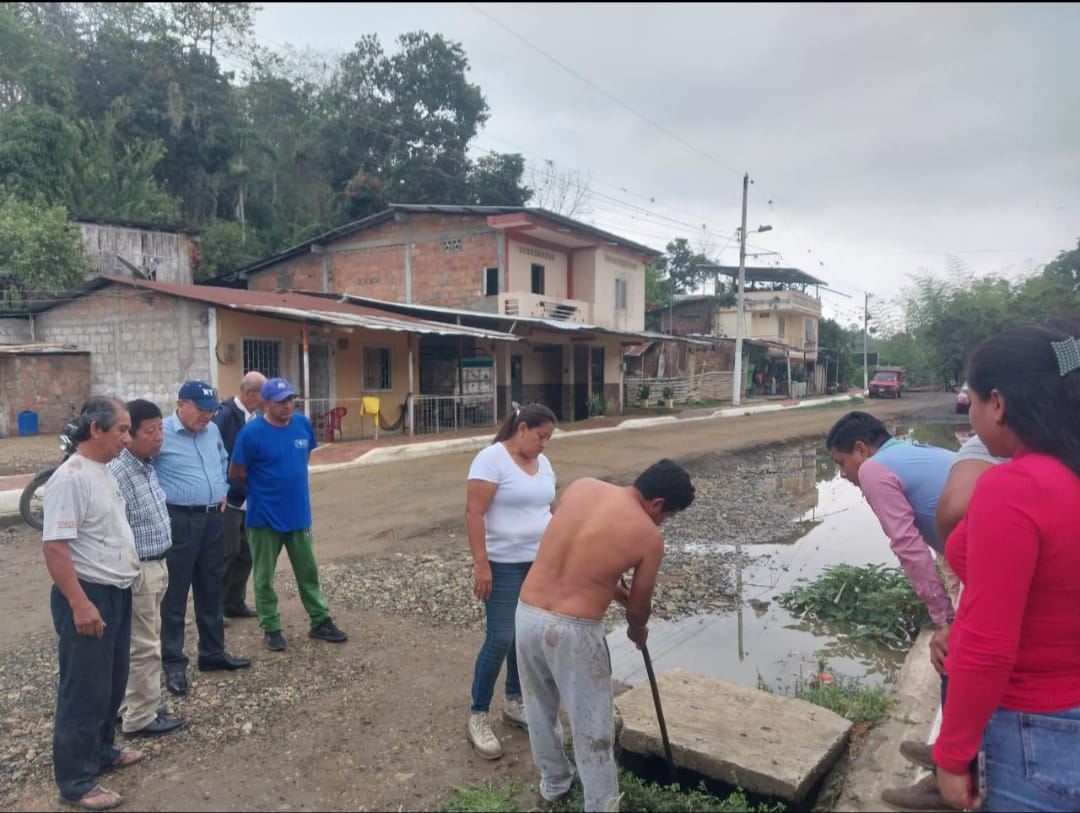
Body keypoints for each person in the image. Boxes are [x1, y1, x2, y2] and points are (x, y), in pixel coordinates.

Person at [934, 319, 1080, 811]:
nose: (971, 413)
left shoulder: (1014, 490)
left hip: (1035, 731)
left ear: (997, 403)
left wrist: (952, 756)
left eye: (971, 401)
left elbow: (990, 644)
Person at [514, 459, 695, 811]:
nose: (663, 523)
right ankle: (601, 805)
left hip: (527, 613)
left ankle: (554, 784)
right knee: (593, 727)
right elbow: (638, 609)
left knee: (538, 710)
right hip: (574, 632)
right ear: (657, 503)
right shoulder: (649, 537)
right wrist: (638, 630)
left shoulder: (582, 486)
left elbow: (573, 553)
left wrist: (612, 588)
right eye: (668, 516)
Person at [43, 397, 143, 811]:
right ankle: (76, 781)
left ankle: (102, 751)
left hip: (116, 591)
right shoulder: (71, 478)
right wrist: (80, 604)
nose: (128, 438)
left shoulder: (104, 470)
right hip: (89, 595)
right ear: (96, 430)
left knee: (112, 682)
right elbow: (55, 548)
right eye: (122, 430)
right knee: (84, 689)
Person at [464, 402, 558, 761]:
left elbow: (549, 509)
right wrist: (482, 565)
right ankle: (478, 714)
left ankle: (514, 701)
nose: (544, 444)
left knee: (526, 637)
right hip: (502, 565)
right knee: (501, 637)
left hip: (539, 563)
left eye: (548, 438)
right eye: (540, 436)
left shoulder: (543, 463)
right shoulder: (491, 459)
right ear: (522, 429)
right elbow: (474, 512)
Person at [229, 377, 348, 652]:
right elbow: (236, 472)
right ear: (266, 403)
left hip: (299, 515)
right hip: (263, 518)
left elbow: (302, 459)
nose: (287, 405)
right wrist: (265, 484)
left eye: (291, 399)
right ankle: (271, 627)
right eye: (281, 401)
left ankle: (320, 621)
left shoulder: (302, 425)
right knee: (263, 576)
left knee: (308, 571)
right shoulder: (251, 433)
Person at [155, 381, 250, 697]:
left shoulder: (211, 432)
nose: (207, 416)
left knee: (211, 588)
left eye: (212, 410)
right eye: (201, 409)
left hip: (212, 519)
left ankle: (212, 653)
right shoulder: (162, 433)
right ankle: (174, 663)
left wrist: (222, 489)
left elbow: (222, 459)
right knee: (175, 594)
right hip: (179, 520)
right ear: (181, 404)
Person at [108, 400, 185, 738]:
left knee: (144, 639)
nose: (158, 437)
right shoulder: (119, 473)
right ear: (130, 434)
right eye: (150, 431)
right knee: (144, 646)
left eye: (160, 428)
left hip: (158, 564)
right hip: (139, 570)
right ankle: (140, 717)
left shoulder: (147, 466)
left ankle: (133, 703)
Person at [212, 371, 267, 619]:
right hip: (229, 497)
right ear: (248, 393)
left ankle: (235, 602)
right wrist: (220, 489)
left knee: (247, 552)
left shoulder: (252, 418)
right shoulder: (225, 415)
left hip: (248, 497)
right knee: (228, 552)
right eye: (263, 394)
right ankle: (216, 607)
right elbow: (214, 453)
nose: (265, 400)